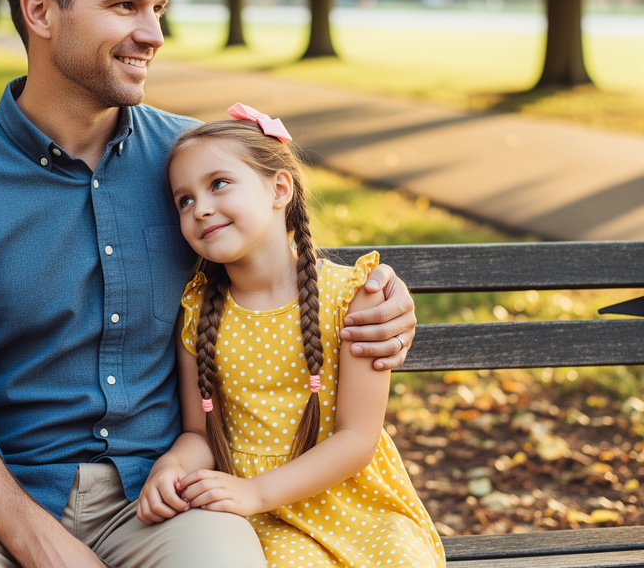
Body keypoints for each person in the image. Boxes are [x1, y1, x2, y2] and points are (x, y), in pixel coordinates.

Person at [0, 0, 418, 568]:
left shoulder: (192, 161)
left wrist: (384, 297)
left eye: (157, 7)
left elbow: (278, 255)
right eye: (125, 6)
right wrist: (36, 539)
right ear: (41, 12)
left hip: (161, 493)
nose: (154, 32)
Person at [137, 104, 445, 567]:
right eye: (184, 199)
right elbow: (199, 434)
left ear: (280, 187)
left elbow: (358, 438)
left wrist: (258, 490)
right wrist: (172, 467)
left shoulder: (351, 297)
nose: (200, 208)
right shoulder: (198, 311)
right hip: (258, 517)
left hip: (354, 505)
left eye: (218, 183)